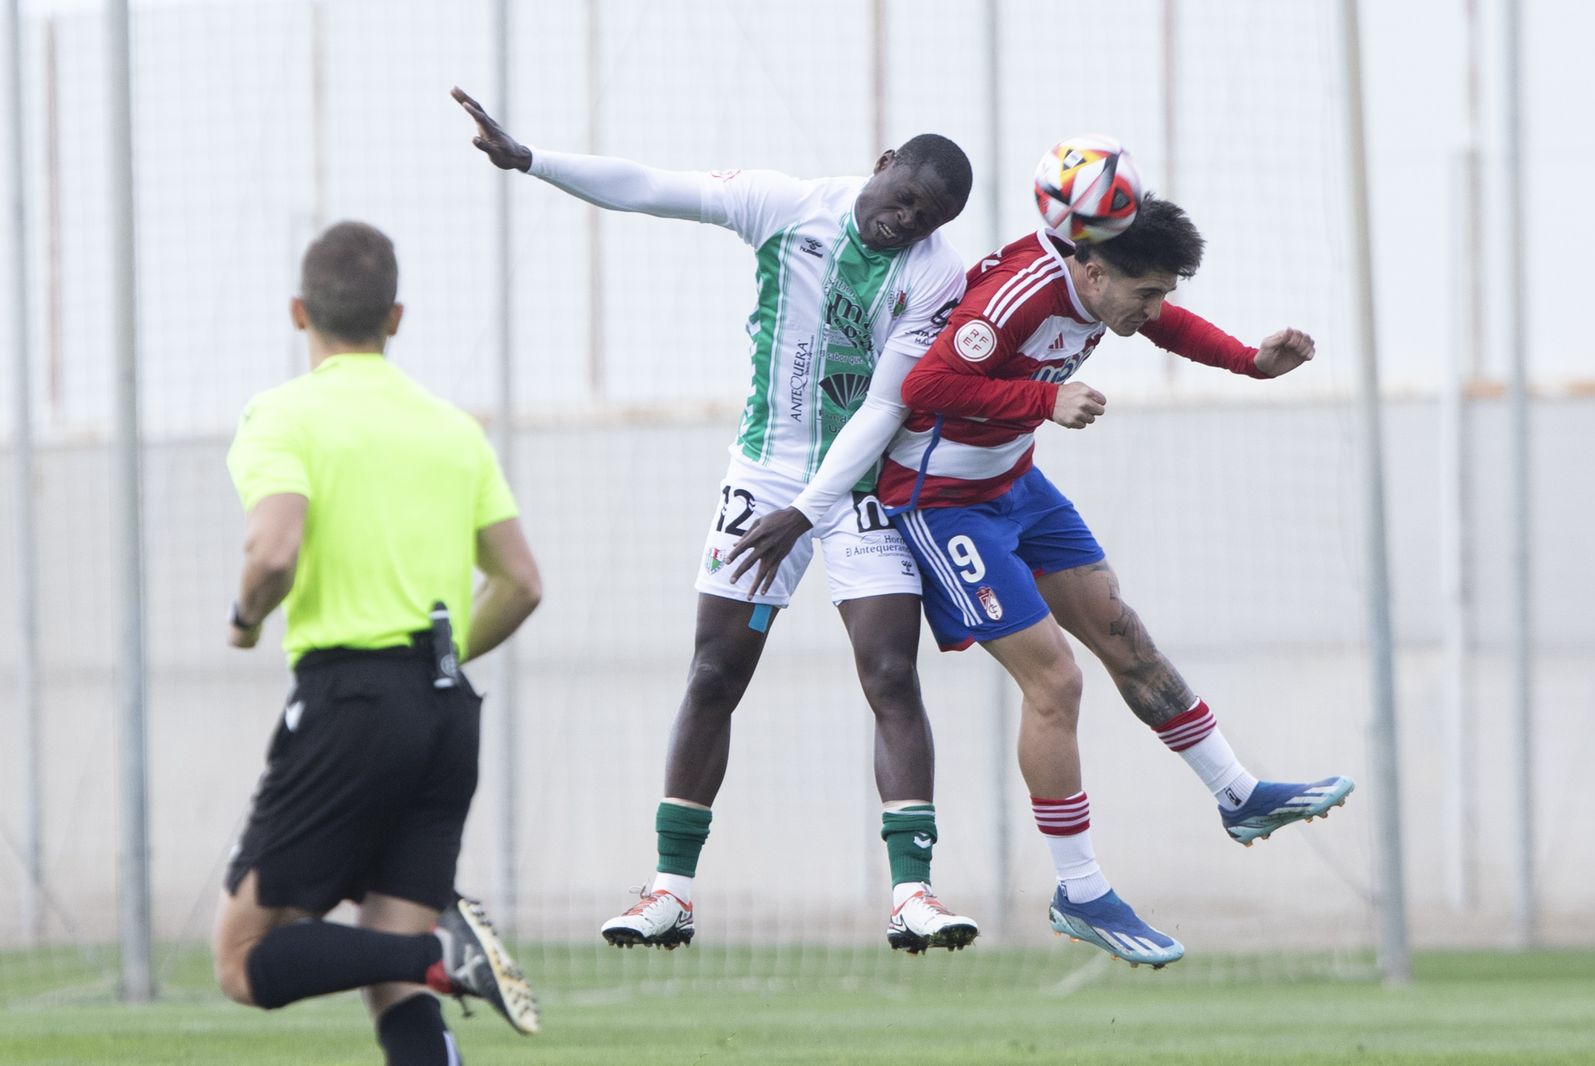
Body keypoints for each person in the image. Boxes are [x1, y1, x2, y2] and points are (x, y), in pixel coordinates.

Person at [732, 184, 1353, 969]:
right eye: (1146, 292)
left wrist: (1249, 363)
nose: (1154, 308)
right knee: (1056, 682)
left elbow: (1164, 322)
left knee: (1124, 636)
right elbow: (922, 387)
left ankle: (1237, 794)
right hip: (943, 502)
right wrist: (1044, 398)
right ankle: (1080, 890)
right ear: (1092, 271)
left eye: (1162, 291)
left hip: (1015, 484)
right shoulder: (1020, 295)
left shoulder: (1108, 286)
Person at [453, 86, 980, 954]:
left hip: (858, 487)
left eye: (929, 219)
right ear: (883, 165)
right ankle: (670, 893)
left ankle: (912, 895)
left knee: (891, 672)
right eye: (906, 199)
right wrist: (532, 160)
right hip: (765, 475)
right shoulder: (786, 206)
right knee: (713, 672)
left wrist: (808, 511)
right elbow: (652, 187)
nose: (908, 223)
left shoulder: (937, 274)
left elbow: (887, 406)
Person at [213, 221, 545, 1063]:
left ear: (299, 311)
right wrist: (433, 663)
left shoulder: (284, 414)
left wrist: (246, 619)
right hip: (445, 710)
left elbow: (273, 553)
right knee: (393, 982)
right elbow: (520, 584)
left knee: (243, 957)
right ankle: (429, 955)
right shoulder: (452, 429)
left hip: (352, 703)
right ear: (395, 318)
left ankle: (440, 952)